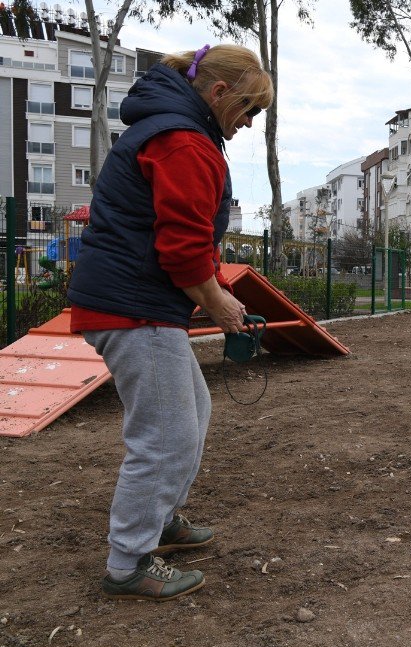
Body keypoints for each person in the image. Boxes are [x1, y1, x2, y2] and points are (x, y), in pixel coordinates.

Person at [67, 44, 273, 601]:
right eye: (250, 109)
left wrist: (220, 292)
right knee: (163, 438)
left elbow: (189, 242)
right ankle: (127, 562)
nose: (251, 123)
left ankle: (158, 521)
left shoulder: (175, 129)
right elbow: (180, 251)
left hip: (139, 302)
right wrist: (218, 303)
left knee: (193, 413)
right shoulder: (183, 140)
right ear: (220, 93)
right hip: (133, 307)